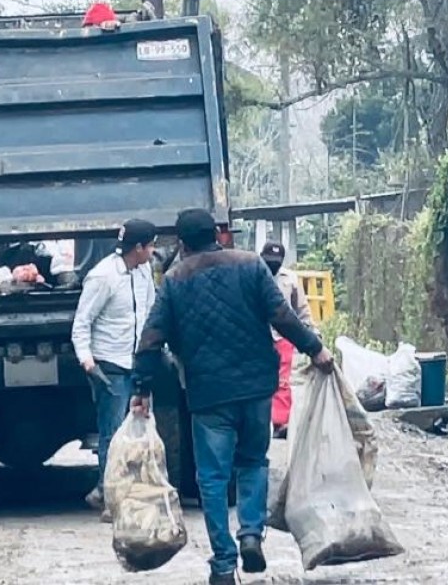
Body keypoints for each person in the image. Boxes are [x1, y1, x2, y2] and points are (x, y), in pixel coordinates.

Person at [130, 208, 333, 585]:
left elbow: (151, 338)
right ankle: (251, 534)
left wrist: (141, 388)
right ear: (219, 235)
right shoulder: (251, 265)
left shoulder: (175, 280)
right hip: (256, 386)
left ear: (183, 243)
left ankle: (224, 562)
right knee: (253, 461)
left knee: (212, 476)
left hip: (209, 394)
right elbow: (283, 316)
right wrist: (315, 349)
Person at [71, 218, 158, 515]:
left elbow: (149, 311)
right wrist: (87, 361)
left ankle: (113, 490)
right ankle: (112, 498)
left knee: (137, 430)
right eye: (151, 246)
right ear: (138, 247)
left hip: (138, 360)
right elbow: (82, 322)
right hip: (110, 364)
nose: (154, 251)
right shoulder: (103, 276)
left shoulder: (144, 271)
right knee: (113, 432)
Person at [259, 241, 318, 438]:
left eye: (276, 262)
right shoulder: (254, 275)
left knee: (283, 381)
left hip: (283, 337)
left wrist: (312, 332)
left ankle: (280, 423)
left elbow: (301, 308)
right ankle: (262, 421)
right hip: (259, 337)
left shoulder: (290, 279)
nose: (272, 265)